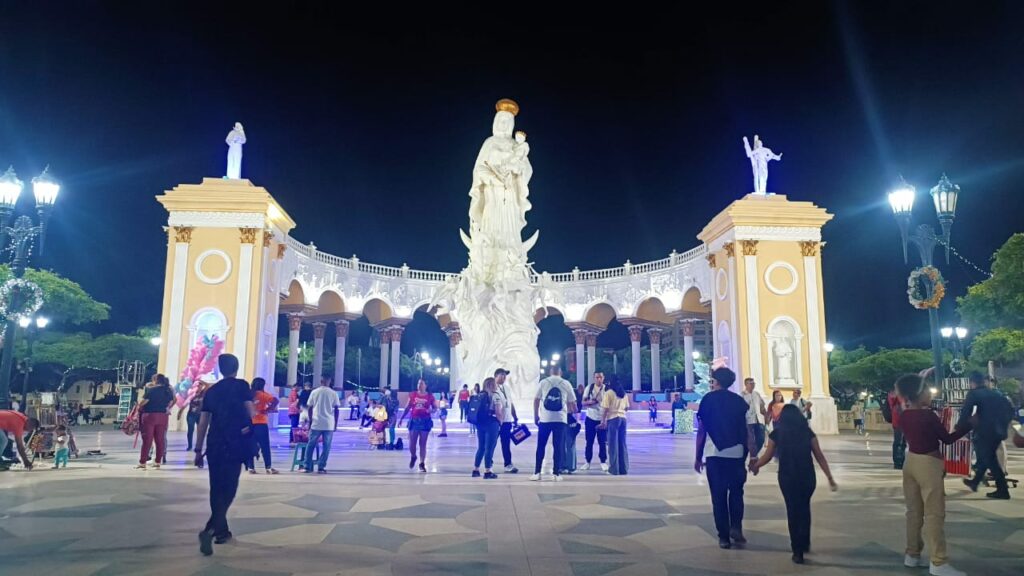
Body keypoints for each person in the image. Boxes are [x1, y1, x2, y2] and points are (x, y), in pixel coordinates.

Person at [897, 374, 970, 576]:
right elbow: (947, 439)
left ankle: (912, 554)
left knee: (913, 512)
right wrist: (969, 424)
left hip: (910, 462)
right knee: (934, 514)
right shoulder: (928, 416)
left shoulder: (904, 415)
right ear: (920, 393)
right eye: (928, 390)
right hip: (928, 464)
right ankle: (938, 562)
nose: (930, 393)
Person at [750, 404, 838, 564]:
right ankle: (804, 542)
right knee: (804, 507)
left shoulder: (777, 434)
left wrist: (756, 466)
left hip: (787, 476)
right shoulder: (807, 432)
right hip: (807, 475)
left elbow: (768, 456)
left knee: (792, 510)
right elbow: (819, 455)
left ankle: (797, 550)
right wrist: (830, 477)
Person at [194, 354, 253, 556]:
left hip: (214, 443)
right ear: (236, 368)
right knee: (229, 487)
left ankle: (221, 531)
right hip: (234, 441)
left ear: (220, 369)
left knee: (216, 487)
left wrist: (197, 449)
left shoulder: (211, 391)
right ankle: (210, 530)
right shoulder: (242, 386)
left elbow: (203, 423)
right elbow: (250, 412)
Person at [695, 367, 756, 549]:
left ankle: (723, 537)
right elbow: (748, 430)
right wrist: (753, 455)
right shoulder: (738, 401)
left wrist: (698, 457)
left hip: (714, 453)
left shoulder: (707, 400)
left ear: (716, 381)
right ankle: (736, 528)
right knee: (737, 492)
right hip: (736, 453)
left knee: (718, 496)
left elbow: (702, 430)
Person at [957, 372, 1014, 499]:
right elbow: (1010, 410)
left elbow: (965, 412)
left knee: (989, 459)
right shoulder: (997, 394)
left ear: (972, 382)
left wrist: (959, 428)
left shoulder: (974, 394)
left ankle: (1002, 489)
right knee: (988, 456)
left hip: (984, 431)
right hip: (999, 431)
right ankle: (975, 482)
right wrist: (1004, 425)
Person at [531, 365, 577, 482]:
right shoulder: (566, 383)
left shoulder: (543, 382)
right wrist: (573, 414)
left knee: (541, 446)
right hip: (560, 420)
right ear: (560, 372)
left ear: (550, 372)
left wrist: (536, 416)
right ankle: (556, 473)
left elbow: (536, 400)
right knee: (558, 446)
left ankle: (537, 473)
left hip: (545, 419)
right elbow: (573, 404)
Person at [136, 374, 174, 470]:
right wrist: (167, 408)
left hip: (150, 416)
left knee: (147, 440)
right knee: (160, 440)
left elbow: (142, 402)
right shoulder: (168, 390)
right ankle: (157, 462)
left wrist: (139, 402)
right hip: (163, 417)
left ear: (155, 380)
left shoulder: (152, 390)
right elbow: (172, 401)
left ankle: (142, 462)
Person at [398, 379, 437, 472]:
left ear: (425, 385)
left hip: (425, 421)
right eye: (418, 383)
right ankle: (413, 456)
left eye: (422, 383)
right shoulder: (413, 395)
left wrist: (430, 410)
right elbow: (407, 407)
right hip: (414, 421)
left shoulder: (430, 396)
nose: (419, 385)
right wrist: (401, 418)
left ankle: (422, 463)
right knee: (412, 443)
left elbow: (435, 408)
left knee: (423, 444)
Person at [304, 377, 340, 473]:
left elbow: (310, 408)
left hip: (316, 422)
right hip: (328, 424)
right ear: (329, 382)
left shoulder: (314, 392)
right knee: (326, 446)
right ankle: (321, 466)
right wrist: (335, 423)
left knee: (310, 444)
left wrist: (311, 420)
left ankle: (307, 465)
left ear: (321, 382)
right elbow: (336, 409)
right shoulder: (333, 393)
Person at [471, 377, 505, 479]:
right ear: (492, 385)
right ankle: (487, 471)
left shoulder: (480, 395)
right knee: (489, 448)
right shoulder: (495, 396)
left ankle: (475, 470)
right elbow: (498, 412)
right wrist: (501, 422)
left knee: (481, 447)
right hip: (491, 423)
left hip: (480, 424)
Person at [245, 378, 279, 475]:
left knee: (250, 445)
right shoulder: (263, 395)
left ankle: (250, 467)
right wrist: (268, 409)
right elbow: (275, 400)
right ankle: (268, 467)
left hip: (250, 422)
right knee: (265, 446)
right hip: (261, 422)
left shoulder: (249, 395)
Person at [599, 376, 629, 475]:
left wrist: (603, 421)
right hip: (623, 419)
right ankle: (624, 469)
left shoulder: (609, 393)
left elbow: (605, 409)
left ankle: (613, 469)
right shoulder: (624, 394)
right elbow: (627, 408)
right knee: (622, 444)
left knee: (613, 445)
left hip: (613, 419)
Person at [581, 372, 609, 471]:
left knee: (602, 442)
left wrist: (605, 420)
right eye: (597, 377)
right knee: (589, 441)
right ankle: (587, 461)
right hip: (590, 418)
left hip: (602, 418)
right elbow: (583, 402)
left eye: (600, 377)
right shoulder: (589, 388)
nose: (599, 379)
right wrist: (591, 402)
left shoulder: (607, 389)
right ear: (594, 378)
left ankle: (603, 461)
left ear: (603, 378)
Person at [494, 368, 520, 473]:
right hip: (496, 421)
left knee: (506, 443)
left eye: (505, 375)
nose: (504, 377)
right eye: (502, 375)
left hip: (507, 421)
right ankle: (488, 463)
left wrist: (515, 416)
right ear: (496, 376)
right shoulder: (492, 388)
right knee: (491, 443)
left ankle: (508, 464)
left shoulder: (507, 388)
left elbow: (510, 403)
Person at [179, 381, 209, 452]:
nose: (198, 387)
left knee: (200, 431)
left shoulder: (203, 394)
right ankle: (190, 446)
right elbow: (185, 404)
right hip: (191, 415)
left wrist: (201, 381)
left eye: (200, 386)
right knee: (190, 430)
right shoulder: (192, 394)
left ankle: (198, 446)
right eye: (197, 386)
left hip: (200, 414)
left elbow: (207, 385)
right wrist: (180, 412)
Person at [741, 378, 767, 455]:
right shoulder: (742, 395)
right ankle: (753, 456)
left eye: (753, 383)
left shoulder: (757, 394)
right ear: (746, 384)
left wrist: (766, 416)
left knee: (761, 438)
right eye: (750, 383)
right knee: (751, 440)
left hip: (759, 420)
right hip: (748, 420)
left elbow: (762, 406)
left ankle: (754, 453)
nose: (752, 385)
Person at [886, 384, 908, 470]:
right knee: (898, 441)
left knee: (904, 442)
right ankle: (897, 461)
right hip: (898, 421)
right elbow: (893, 402)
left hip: (906, 420)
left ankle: (902, 460)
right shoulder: (893, 394)